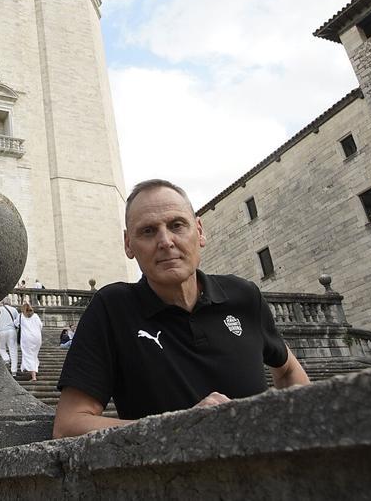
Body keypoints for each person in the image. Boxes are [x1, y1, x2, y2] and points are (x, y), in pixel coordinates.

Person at [53, 179, 310, 438]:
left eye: (177, 225)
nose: (166, 241)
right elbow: (69, 425)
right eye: (148, 231)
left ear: (199, 231)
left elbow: (288, 371)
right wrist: (181, 427)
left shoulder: (243, 296)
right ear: (128, 244)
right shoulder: (113, 309)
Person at [0, 299, 20, 375]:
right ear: (10, 303)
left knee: (2, 348)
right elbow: (17, 321)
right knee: (13, 350)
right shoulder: (14, 310)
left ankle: (6, 359)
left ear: (3, 303)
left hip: (1, 331)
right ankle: (14, 371)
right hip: (12, 331)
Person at [18, 303, 43, 381]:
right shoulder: (35, 316)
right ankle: (33, 369)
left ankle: (33, 376)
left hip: (27, 338)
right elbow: (40, 325)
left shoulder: (21, 316)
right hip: (37, 338)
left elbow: (16, 324)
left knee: (28, 355)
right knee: (34, 355)